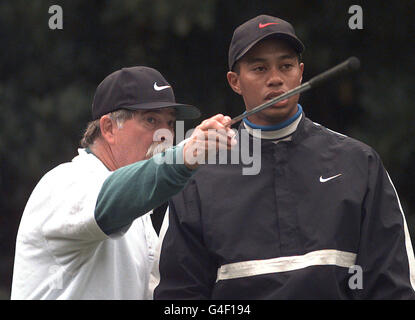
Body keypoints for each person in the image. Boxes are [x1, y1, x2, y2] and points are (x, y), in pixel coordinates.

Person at [151, 15, 415, 299]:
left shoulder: (360, 163)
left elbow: (393, 285)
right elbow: (178, 296)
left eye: (286, 66)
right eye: (260, 68)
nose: (275, 79)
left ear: (300, 73)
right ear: (235, 81)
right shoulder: (198, 178)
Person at [11, 66, 235, 299]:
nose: (165, 134)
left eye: (169, 123)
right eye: (150, 120)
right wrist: (185, 155)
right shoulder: (64, 183)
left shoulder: (139, 216)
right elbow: (113, 199)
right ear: (108, 128)